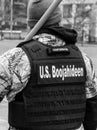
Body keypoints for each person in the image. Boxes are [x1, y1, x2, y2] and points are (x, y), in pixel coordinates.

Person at [0, 0, 97, 130]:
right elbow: (92, 112)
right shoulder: (83, 60)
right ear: (59, 20)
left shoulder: (14, 59)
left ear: (30, 22)